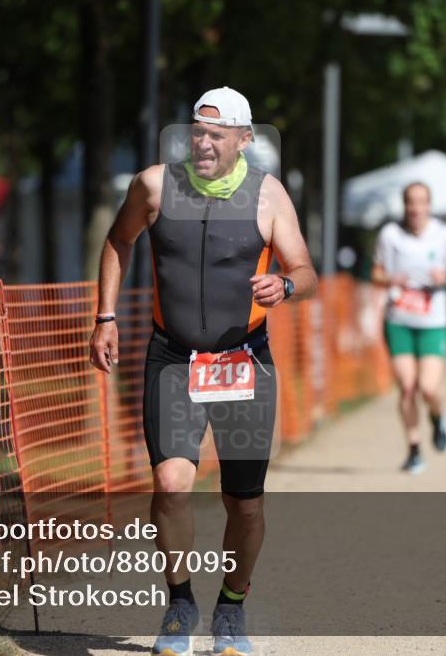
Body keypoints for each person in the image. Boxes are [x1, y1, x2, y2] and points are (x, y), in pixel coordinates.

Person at [89, 86, 316, 656]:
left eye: (217, 134)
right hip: (174, 358)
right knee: (171, 484)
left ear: (244, 139)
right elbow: (118, 241)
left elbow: (306, 270)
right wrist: (106, 316)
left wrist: (285, 286)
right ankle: (180, 603)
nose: (204, 142)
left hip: (245, 361)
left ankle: (232, 609)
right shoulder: (154, 185)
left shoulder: (268, 196)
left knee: (245, 502)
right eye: (197, 131)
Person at [371, 183, 446, 474]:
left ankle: (437, 418)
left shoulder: (444, 234)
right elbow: (375, 272)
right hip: (399, 320)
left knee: (429, 388)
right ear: (405, 205)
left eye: (421, 202)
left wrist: (444, 277)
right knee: (408, 387)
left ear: (429, 205)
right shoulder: (390, 234)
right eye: (411, 202)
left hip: (433, 322)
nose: (416, 208)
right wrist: (390, 280)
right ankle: (414, 450)